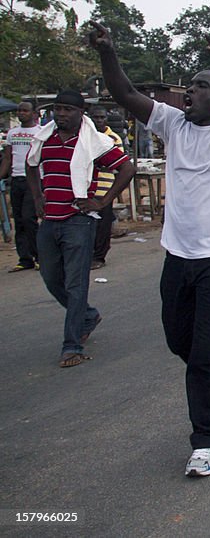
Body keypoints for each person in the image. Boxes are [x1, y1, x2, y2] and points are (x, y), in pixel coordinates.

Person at [89, 21, 210, 477]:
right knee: (180, 340)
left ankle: (205, 441)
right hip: (177, 255)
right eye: (188, 88)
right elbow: (124, 93)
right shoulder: (174, 124)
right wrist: (107, 52)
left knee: (200, 353)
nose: (187, 94)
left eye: (199, 87)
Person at [24, 89, 134, 368]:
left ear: (80, 113)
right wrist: (38, 197)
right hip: (50, 220)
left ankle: (71, 345)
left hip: (78, 220)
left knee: (76, 284)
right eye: (57, 109)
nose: (61, 114)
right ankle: (87, 315)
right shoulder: (44, 139)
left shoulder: (92, 142)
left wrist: (103, 201)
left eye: (67, 110)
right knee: (51, 278)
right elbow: (30, 166)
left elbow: (127, 169)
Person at [0, 101, 42, 272]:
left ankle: (39, 255)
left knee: (29, 218)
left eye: (25, 110)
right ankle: (25, 259)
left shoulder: (40, 133)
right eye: (19, 110)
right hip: (16, 179)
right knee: (18, 219)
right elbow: (8, 158)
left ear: (34, 114)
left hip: (33, 180)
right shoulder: (12, 133)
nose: (21, 113)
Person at [87, 105, 124, 270]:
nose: (99, 120)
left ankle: (99, 257)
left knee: (103, 224)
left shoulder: (113, 138)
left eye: (102, 117)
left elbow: (116, 165)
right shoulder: (84, 136)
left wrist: (96, 163)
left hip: (105, 188)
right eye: (96, 117)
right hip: (86, 187)